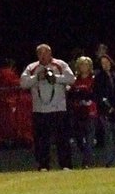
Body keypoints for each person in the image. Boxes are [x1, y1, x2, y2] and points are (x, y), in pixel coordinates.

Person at [20, 43, 75, 171]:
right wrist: (37, 78)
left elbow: (71, 78)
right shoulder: (32, 67)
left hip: (58, 108)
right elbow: (23, 83)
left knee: (62, 138)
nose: (43, 56)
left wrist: (55, 78)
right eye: (40, 53)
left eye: (45, 53)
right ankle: (43, 165)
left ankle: (66, 164)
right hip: (40, 110)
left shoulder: (60, 64)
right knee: (41, 140)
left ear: (50, 53)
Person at [94, 53, 115, 167]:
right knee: (109, 136)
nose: (105, 65)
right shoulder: (99, 78)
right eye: (103, 63)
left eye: (106, 62)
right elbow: (98, 94)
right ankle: (109, 161)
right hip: (105, 111)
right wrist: (107, 107)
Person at [68, 56, 97, 168]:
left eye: (86, 65)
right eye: (81, 65)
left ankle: (86, 162)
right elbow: (72, 95)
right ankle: (85, 154)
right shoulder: (75, 81)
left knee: (90, 136)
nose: (84, 67)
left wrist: (88, 99)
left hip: (90, 111)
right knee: (79, 137)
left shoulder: (93, 79)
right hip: (78, 112)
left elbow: (95, 93)